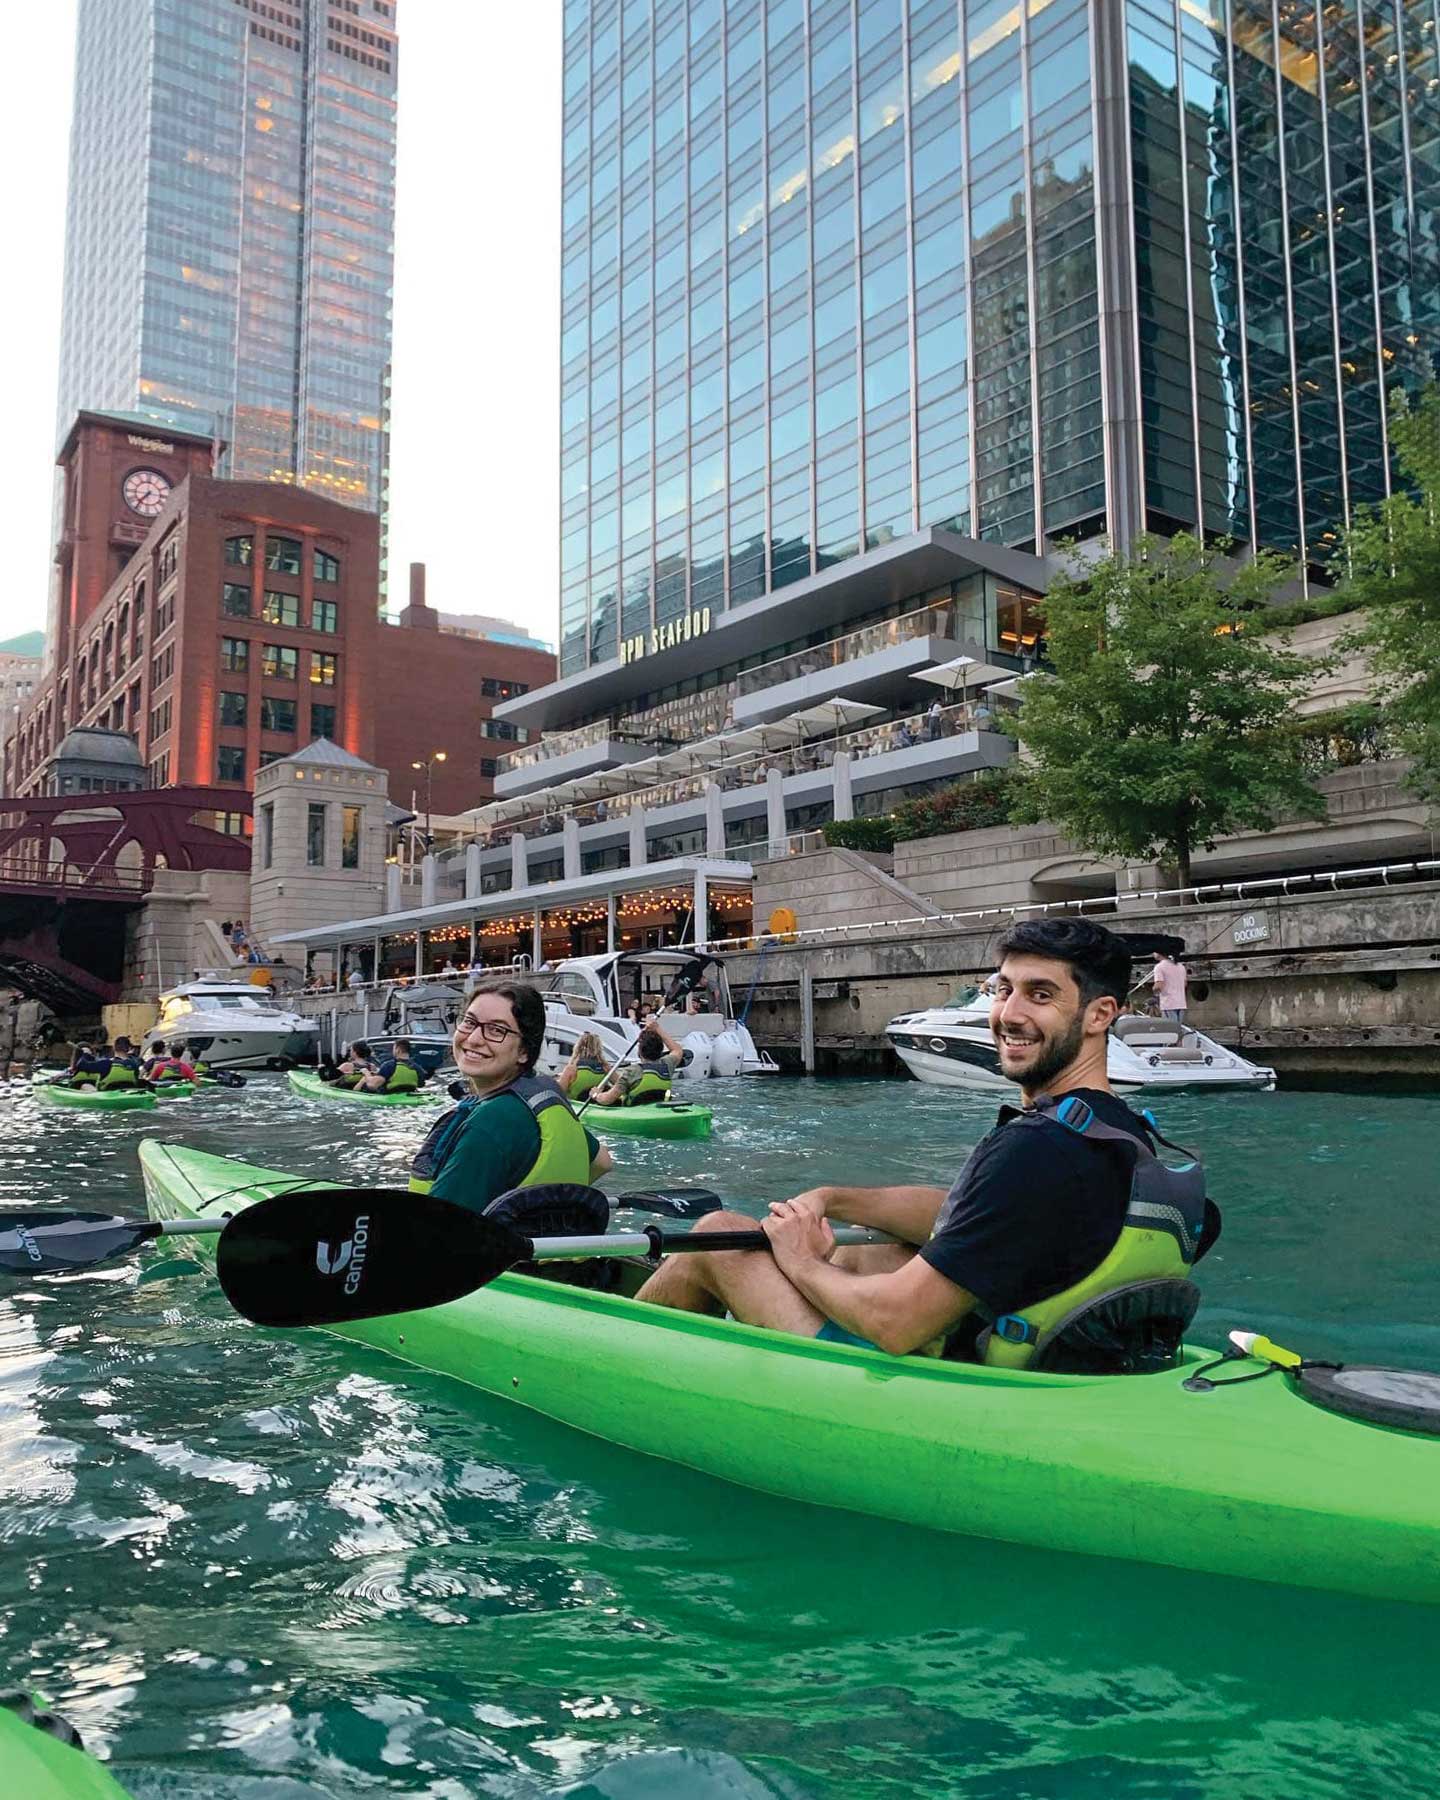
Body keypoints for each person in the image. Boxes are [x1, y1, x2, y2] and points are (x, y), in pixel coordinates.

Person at [635, 917, 1215, 1364]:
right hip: (1054, 1354)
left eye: (1040, 995)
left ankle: (613, 1350)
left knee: (719, 1236)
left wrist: (800, 1261)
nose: (1008, 1014)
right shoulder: (1122, 1131)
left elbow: (896, 1324)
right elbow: (971, 1212)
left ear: (1098, 1015)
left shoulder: (1037, 1149)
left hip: (953, 1379)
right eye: (1004, 989)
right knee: (870, 1249)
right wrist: (835, 1198)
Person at [409, 975, 612, 1208]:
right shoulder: (544, 1099)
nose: (474, 1039)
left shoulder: (490, 1123)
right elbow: (603, 1161)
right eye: (469, 1022)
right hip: (544, 1241)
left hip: (490, 1244)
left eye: (496, 1030)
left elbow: (436, 1227)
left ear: (524, 1051)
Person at [588, 1022, 685, 1107]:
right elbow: (677, 1050)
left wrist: (596, 1095)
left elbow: (607, 1099)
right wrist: (657, 1028)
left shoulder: (631, 1071)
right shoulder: (667, 1064)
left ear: (640, 1052)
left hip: (635, 1111)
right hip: (659, 1108)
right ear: (660, 1049)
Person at [68, 1037, 142, 1090]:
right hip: (127, 1092)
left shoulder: (106, 1063)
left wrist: (85, 1054)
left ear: (114, 1048)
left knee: (85, 1085)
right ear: (128, 1049)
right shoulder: (134, 1065)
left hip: (107, 1093)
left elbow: (82, 1066)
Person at [360, 1036, 425, 1094]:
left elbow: (372, 1085)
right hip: (410, 1097)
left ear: (398, 1050)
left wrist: (366, 1073)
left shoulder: (389, 1065)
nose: (392, 1051)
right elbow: (421, 1084)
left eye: (394, 1048)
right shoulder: (417, 1068)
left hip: (389, 1098)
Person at [557, 1030, 610, 1100]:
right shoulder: (605, 1068)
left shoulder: (571, 1069)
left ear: (578, 1047)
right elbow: (620, 1084)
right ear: (598, 1048)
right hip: (595, 1106)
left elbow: (559, 1093)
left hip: (576, 1106)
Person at [1151, 951, 1188, 1023]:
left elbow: (1159, 985)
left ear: (1159, 953)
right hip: (1181, 1004)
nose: (1153, 954)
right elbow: (1185, 984)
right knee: (1178, 1028)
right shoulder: (1181, 966)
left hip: (1168, 1004)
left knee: (1170, 1029)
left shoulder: (1159, 967)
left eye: (1154, 952)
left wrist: (1154, 991)